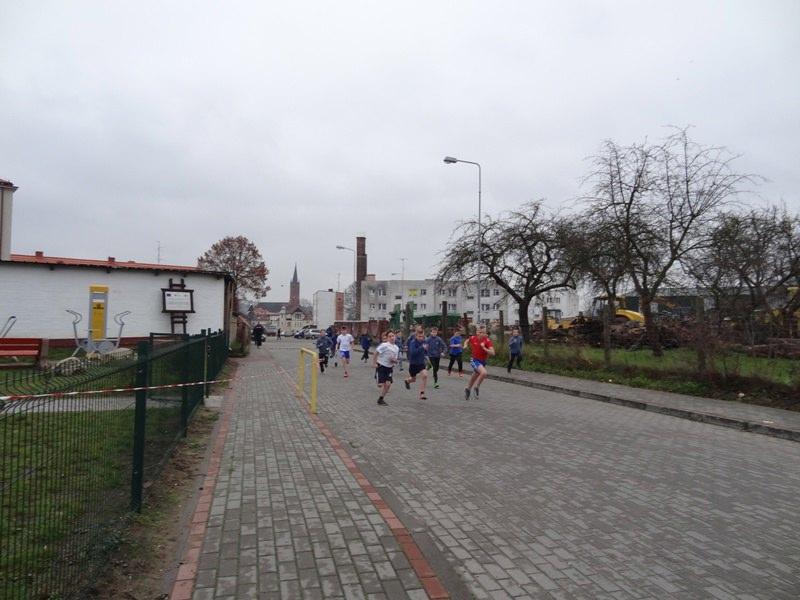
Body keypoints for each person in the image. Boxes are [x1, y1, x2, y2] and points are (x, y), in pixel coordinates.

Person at [464, 324, 495, 400]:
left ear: (485, 333)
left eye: (483, 332)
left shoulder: (487, 341)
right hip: (474, 360)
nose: (481, 334)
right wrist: (465, 345)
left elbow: (493, 353)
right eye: (479, 332)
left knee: (475, 375)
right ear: (477, 332)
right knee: (483, 373)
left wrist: (484, 348)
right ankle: (476, 387)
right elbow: (467, 340)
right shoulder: (473, 338)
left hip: (482, 361)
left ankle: (468, 389)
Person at [373, 331, 400, 406]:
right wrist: (374, 363)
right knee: (380, 385)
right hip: (381, 366)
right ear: (387, 338)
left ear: (395, 337)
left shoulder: (396, 348)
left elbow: (395, 359)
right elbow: (376, 353)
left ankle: (381, 399)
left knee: (388, 384)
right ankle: (377, 377)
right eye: (390, 336)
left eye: (393, 336)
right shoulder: (384, 345)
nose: (392, 338)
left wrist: (395, 361)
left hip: (389, 368)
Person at [403, 327, 429, 400]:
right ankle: (407, 381)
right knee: (413, 379)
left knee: (425, 375)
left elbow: (425, 352)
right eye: (419, 336)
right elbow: (413, 352)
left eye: (422, 336)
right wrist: (422, 348)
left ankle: (422, 393)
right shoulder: (413, 342)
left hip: (421, 363)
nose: (421, 338)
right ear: (416, 336)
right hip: (413, 364)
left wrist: (426, 350)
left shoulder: (424, 341)